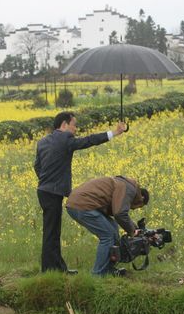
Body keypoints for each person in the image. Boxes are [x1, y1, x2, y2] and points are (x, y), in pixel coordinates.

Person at [34, 112, 126, 274]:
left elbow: (37, 166)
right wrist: (114, 133)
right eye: (74, 125)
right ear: (64, 124)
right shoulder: (65, 139)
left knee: (52, 232)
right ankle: (49, 270)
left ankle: (57, 268)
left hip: (44, 191)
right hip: (52, 192)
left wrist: (46, 181)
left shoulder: (43, 141)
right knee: (51, 233)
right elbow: (88, 141)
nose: (76, 129)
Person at [65, 175, 149, 277]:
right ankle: (98, 275)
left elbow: (116, 211)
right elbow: (119, 213)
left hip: (80, 203)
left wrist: (134, 228)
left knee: (113, 227)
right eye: (139, 206)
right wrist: (132, 231)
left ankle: (108, 269)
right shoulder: (129, 189)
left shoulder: (125, 184)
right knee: (107, 235)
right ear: (142, 198)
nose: (134, 209)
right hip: (82, 205)